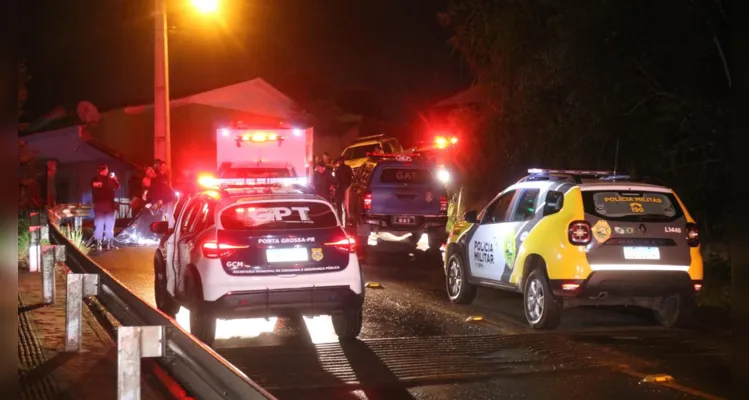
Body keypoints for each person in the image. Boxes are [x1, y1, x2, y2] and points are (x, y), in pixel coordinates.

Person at [91, 164, 120, 250]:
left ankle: (99, 244)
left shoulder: (95, 179)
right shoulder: (109, 179)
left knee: (99, 225)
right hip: (108, 206)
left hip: (99, 206)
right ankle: (108, 244)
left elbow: (95, 187)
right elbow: (117, 187)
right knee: (109, 226)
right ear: (106, 170)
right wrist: (114, 179)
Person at [149, 160, 178, 227]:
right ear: (160, 167)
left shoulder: (165, 176)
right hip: (164, 199)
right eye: (163, 166)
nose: (164, 167)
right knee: (163, 213)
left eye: (165, 166)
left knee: (169, 214)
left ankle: (171, 229)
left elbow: (167, 188)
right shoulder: (158, 177)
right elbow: (160, 190)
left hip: (169, 198)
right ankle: (163, 229)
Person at [334, 156, 353, 224]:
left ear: (339, 162)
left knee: (339, 207)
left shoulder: (338, 169)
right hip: (347, 189)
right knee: (346, 207)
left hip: (340, 190)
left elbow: (336, 180)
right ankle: (347, 221)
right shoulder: (348, 168)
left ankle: (340, 222)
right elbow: (351, 179)